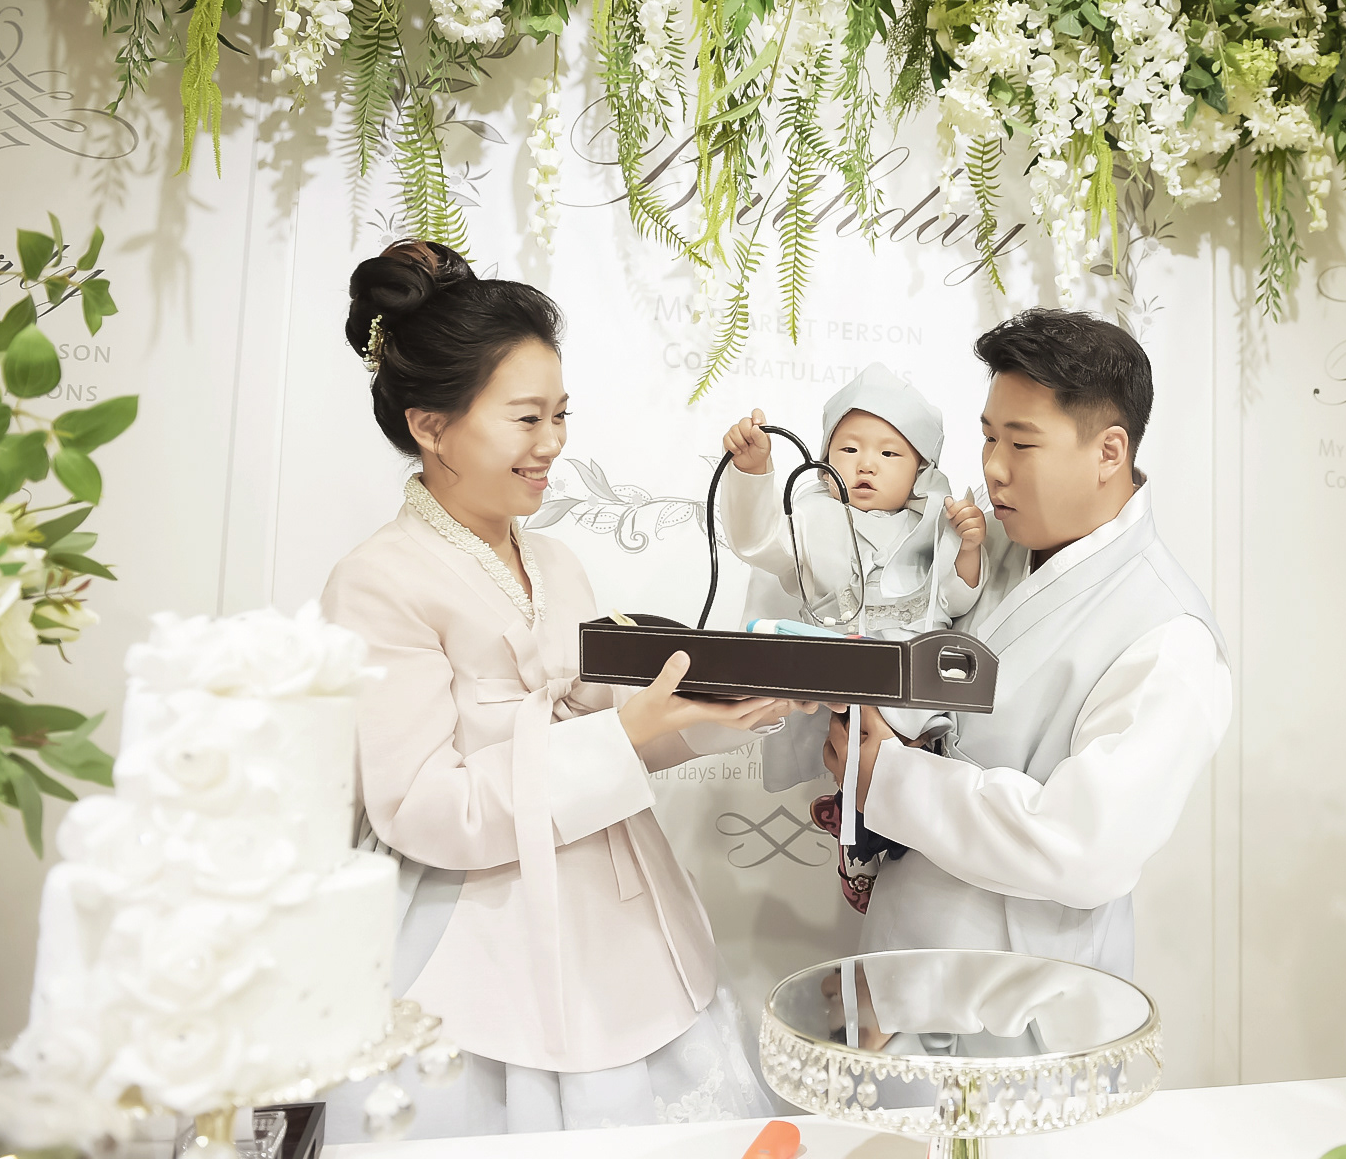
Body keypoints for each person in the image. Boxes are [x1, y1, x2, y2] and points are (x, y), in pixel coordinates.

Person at [320, 240, 803, 1136]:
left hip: (620, 917)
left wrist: (721, 713)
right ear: (430, 425)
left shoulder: (555, 561)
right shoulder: (377, 582)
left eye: (561, 415)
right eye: (526, 419)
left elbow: (612, 728)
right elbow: (420, 808)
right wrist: (623, 736)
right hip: (482, 942)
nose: (553, 444)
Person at [823, 308, 1233, 978]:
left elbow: (1085, 849)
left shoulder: (1170, 637)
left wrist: (890, 778)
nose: (993, 469)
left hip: (1027, 988)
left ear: (1109, 452)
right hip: (901, 946)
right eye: (989, 438)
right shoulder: (975, 542)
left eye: (1022, 444)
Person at [718, 364, 988, 910]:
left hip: (909, 679)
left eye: (889, 453)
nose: (866, 464)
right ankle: (854, 836)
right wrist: (753, 474)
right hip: (845, 674)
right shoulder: (813, 523)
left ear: (920, 470)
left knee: (912, 747)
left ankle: (883, 829)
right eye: (848, 449)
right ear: (824, 461)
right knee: (852, 747)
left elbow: (955, 600)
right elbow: (759, 540)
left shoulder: (932, 529)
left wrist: (968, 549)